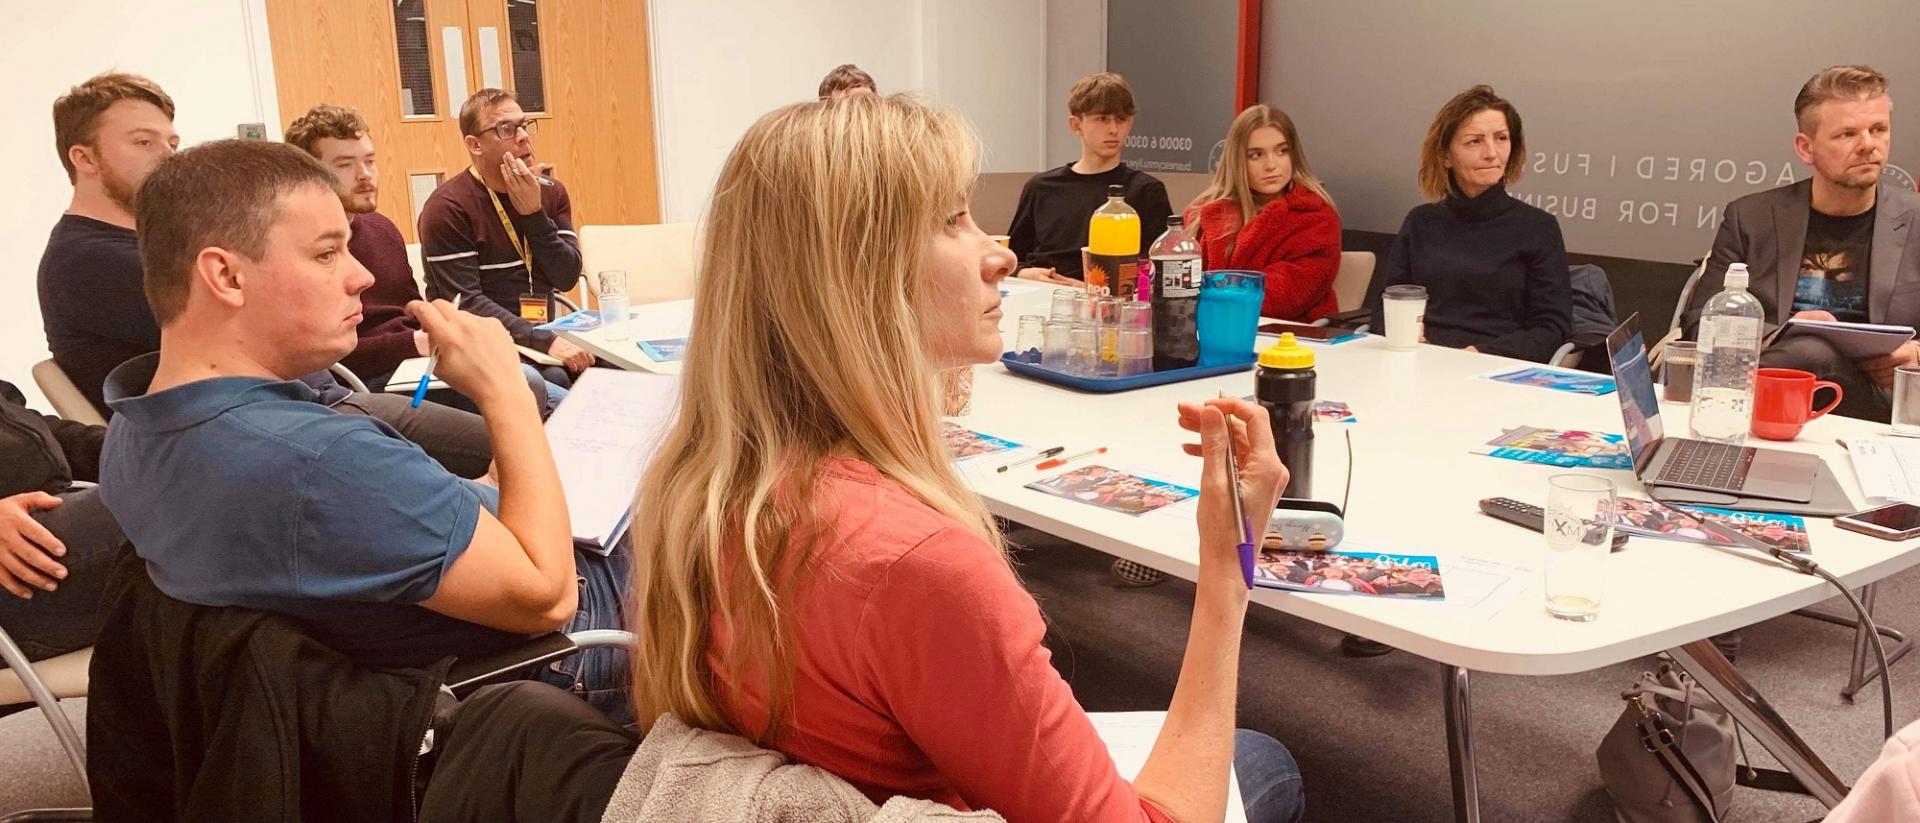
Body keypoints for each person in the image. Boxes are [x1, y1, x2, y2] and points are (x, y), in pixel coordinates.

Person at [95, 140, 631, 723]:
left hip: (466, 590)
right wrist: (504, 390)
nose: (361, 276)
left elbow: (373, 526)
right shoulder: (318, 461)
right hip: (560, 649)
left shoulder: (135, 427)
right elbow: (548, 598)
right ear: (225, 275)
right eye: (327, 255)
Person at [36, 71, 496, 478]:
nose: (167, 157)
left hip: (304, 410)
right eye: (143, 142)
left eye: (172, 144)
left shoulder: (150, 247)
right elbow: (275, 331)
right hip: (261, 441)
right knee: (509, 444)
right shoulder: (87, 261)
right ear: (84, 158)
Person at [283, 103, 566, 414]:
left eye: (370, 161)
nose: (364, 175)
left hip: (419, 362)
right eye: (345, 165)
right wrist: (416, 344)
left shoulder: (381, 228)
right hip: (371, 380)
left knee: (561, 394)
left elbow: (408, 309)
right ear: (311, 174)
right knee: (532, 389)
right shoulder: (303, 249)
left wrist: (444, 333)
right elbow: (323, 352)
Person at [1682, 65, 1920, 422]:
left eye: (1878, 130)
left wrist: (1916, 354)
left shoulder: (1915, 221)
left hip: (1879, 407)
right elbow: (1701, 325)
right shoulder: (1752, 217)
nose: (1868, 145)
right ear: (1806, 148)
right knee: (1808, 351)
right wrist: (1778, 336)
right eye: (1847, 134)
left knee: (1812, 353)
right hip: (1769, 394)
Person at [1365, 84, 1572, 363]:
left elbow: (1551, 329)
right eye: (1475, 141)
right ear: (1446, 156)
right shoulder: (1420, 221)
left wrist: (1480, 355)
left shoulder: (1538, 227)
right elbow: (1384, 306)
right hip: (1418, 359)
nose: (1492, 153)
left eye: (1501, 138)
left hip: (1495, 367)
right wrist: (1401, 330)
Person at [418, 88, 592, 384]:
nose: (523, 136)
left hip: (541, 334)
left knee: (614, 369)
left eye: (524, 125)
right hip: (478, 344)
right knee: (558, 380)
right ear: (475, 145)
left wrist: (534, 216)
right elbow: (465, 302)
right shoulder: (446, 208)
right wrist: (542, 341)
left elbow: (567, 277)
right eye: (506, 129)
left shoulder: (551, 192)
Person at [0, 379, 128, 670]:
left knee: (193, 463)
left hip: (54, 515)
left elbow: (44, 437)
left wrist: (142, 446)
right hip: (14, 575)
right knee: (164, 498)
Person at [1007, 72, 1173, 285]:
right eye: (1102, 119)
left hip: (1111, 303)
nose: (1113, 129)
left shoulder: (1146, 190)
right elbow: (1011, 258)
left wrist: (1093, 289)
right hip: (1041, 294)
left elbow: (1156, 271)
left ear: (1129, 124)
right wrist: (1024, 273)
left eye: (1120, 120)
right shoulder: (1040, 188)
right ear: (1076, 125)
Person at [1184, 105, 1343, 323]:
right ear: (1237, 161)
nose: (1271, 165)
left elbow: (1279, 300)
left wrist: (1208, 293)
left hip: (1290, 342)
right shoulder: (1202, 215)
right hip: (1206, 334)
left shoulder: (1317, 219)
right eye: (1256, 155)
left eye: (1282, 151)